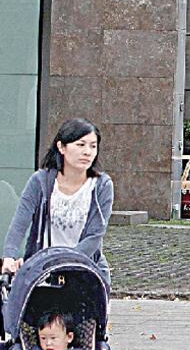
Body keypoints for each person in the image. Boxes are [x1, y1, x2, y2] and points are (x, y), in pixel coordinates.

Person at [3, 118, 114, 286]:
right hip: (41, 274)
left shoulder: (102, 185)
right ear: (61, 147)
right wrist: (9, 256)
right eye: (80, 144)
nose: (87, 152)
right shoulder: (40, 181)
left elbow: (95, 235)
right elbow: (20, 222)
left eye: (93, 146)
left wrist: (62, 264)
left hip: (84, 273)